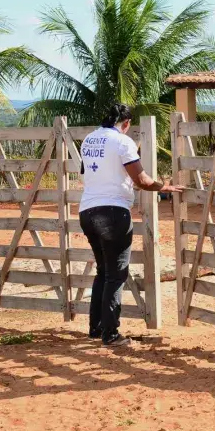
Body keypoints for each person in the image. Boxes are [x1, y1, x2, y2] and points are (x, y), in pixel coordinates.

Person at [79, 104, 184, 347]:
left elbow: (87, 173)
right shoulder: (122, 142)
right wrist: (164, 187)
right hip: (113, 213)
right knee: (116, 275)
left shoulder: (89, 139)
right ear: (125, 123)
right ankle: (111, 334)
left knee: (103, 272)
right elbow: (141, 180)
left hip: (87, 211)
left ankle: (96, 329)